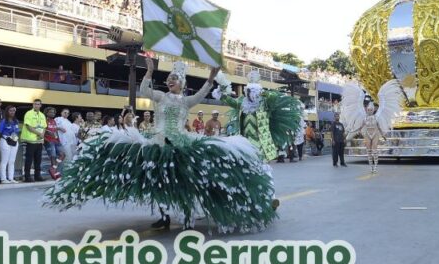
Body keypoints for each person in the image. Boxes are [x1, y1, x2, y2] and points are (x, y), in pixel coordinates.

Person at [45, 59, 278, 233]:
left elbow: (203, 92)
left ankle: (187, 215)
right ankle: (164, 216)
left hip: (182, 144)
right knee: (158, 181)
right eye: (169, 79)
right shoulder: (160, 96)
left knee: (184, 181)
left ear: (181, 84)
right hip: (158, 142)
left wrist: (210, 77)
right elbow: (144, 91)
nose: (170, 81)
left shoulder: (187, 100)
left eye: (174, 79)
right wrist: (148, 71)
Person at [20, 99, 47, 182]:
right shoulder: (29, 113)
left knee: (38, 159)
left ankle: (37, 176)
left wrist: (42, 134)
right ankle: (27, 177)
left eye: (38, 104)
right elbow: (28, 126)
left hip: (39, 141)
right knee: (29, 159)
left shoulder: (42, 115)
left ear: (40, 105)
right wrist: (39, 133)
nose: (36, 105)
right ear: (33, 105)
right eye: (35, 104)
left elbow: (44, 126)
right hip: (31, 140)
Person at [0, 106, 20, 184]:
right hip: (5, 141)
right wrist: (4, 138)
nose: (12, 112)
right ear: (7, 111)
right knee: (4, 161)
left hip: (14, 141)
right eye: (10, 111)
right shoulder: (4, 121)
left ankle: (11, 178)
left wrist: (15, 137)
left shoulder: (16, 121)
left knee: (12, 161)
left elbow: (17, 131)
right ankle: (3, 179)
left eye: (13, 110)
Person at [43, 107, 65, 179]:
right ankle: (54, 173)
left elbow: (55, 130)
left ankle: (53, 168)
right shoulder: (44, 120)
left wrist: (58, 139)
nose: (53, 114)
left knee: (62, 155)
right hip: (49, 141)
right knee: (53, 156)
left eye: (54, 112)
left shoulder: (54, 121)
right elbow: (43, 130)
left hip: (56, 141)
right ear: (46, 113)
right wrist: (47, 137)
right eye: (51, 112)